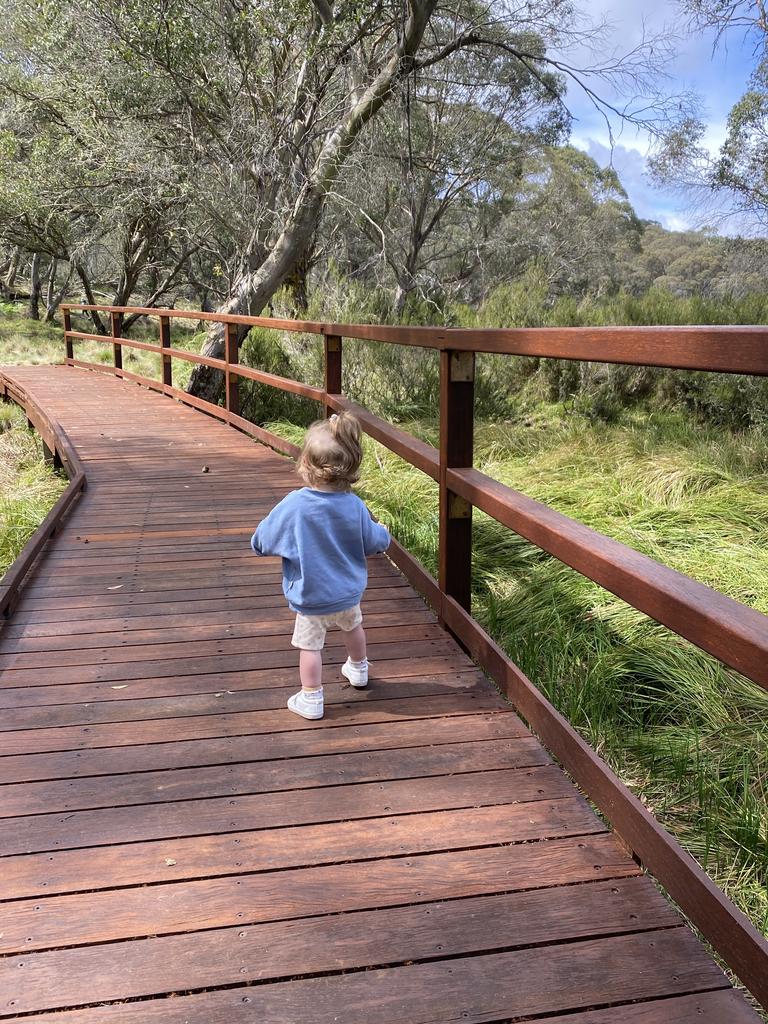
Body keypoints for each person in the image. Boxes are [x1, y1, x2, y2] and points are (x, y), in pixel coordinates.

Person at [250, 411, 391, 720]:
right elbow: (374, 541)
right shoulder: (353, 504)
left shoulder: (295, 505)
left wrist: (260, 545)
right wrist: (385, 534)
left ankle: (312, 697)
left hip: (312, 596)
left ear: (306, 466)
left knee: (310, 646)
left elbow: (263, 538)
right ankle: (359, 670)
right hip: (347, 593)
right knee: (353, 626)